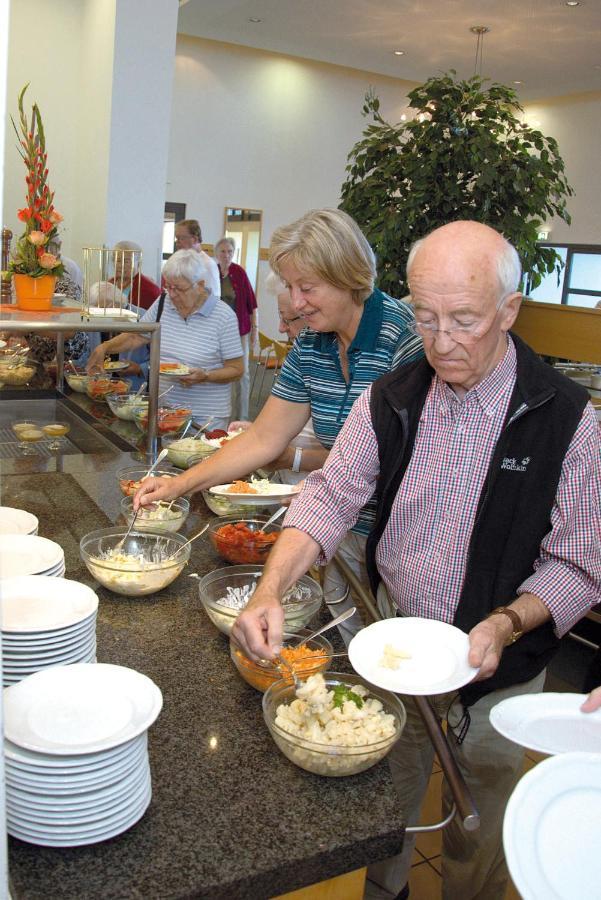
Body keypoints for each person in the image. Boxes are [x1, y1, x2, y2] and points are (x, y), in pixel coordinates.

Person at [231, 221, 601, 900]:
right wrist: (269, 587)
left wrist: (504, 623)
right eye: (425, 318)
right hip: (395, 649)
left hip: (502, 665)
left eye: (463, 320)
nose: (440, 342)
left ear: (508, 310)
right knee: (388, 809)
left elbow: (577, 563)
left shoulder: (566, 418)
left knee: (476, 821)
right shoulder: (394, 396)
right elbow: (329, 496)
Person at [134, 208, 423, 644]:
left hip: (401, 541)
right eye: (290, 287)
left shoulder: (404, 341)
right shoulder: (312, 341)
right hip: (337, 531)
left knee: (397, 658)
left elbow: (410, 464)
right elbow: (264, 438)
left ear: (349, 276)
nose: (296, 301)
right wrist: (177, 485)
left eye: (307, 288)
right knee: (348, 642)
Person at [86, 250, 243, 428]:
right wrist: (105, 347)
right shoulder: (163, 302)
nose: (173, 294)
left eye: (179, 289)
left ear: (200, 285)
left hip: (205, 417)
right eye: (168, 286)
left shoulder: (224, 316)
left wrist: (206, 375)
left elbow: (236, 369)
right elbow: (136, 335)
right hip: (164, 408)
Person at [215, 236, 258, 420]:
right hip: (216, 332)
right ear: (216, 254)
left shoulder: (239, 272)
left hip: (239, 330)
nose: (226, 255)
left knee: (243, 374)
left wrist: (255, 330)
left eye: (230, 251)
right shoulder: (211, 272)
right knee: (219, 371)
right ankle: (220, 414)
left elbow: (252, 304)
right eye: (223, 251)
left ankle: (242, 418)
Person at [174, 219, 220, 299]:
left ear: (194, 239)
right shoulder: (180, 260)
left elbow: (214, 299)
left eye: (180, 238)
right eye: (176, 239)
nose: (177, 243)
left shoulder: (208, 264)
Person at [110, 240, 161, 311]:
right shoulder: (109, 284)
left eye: (126, 261)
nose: (120, 265)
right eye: (118, 260)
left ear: (139, 263)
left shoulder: (150, 290)